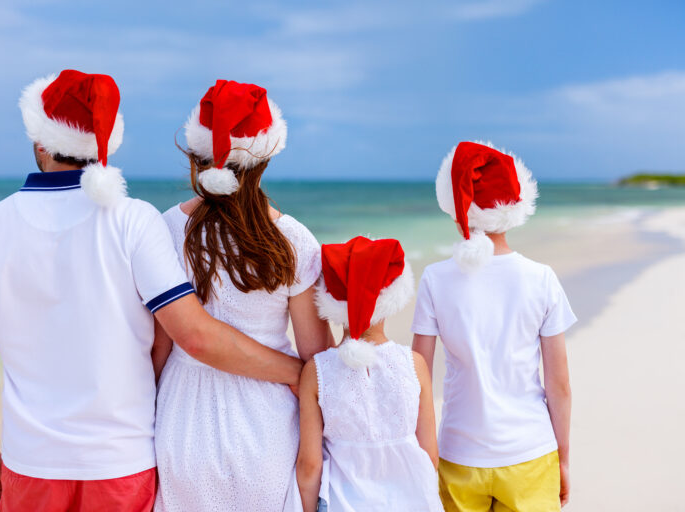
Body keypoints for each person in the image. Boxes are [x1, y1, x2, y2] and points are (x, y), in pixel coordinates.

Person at [0, 70, 303, 512]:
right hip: (121, 464)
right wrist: (296, 371)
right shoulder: (134, 221)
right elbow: (194, 336)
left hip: (32, 463)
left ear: (41, 140)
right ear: (106, 142)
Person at [153, 79, 332, 512]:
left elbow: (157, 348)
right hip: (267, 422)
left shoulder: (164, 230)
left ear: (198, 156)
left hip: (183, 420)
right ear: (265, 157)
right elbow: (317, 358)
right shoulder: (293, 240)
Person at [412, 141, 576, 512]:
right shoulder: (541, 278)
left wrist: (424, 456)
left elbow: (418, 375)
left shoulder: (436, 279)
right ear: (515, 206)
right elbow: (560, 384)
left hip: (458, 454)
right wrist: (563, 459)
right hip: (531, 453)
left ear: (457, 209)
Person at [295, 236, 445, 512]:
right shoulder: (414, 364)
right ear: (392, 297)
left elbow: (310, 465)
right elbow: (429, 455)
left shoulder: (317, 372)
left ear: (329, 301)